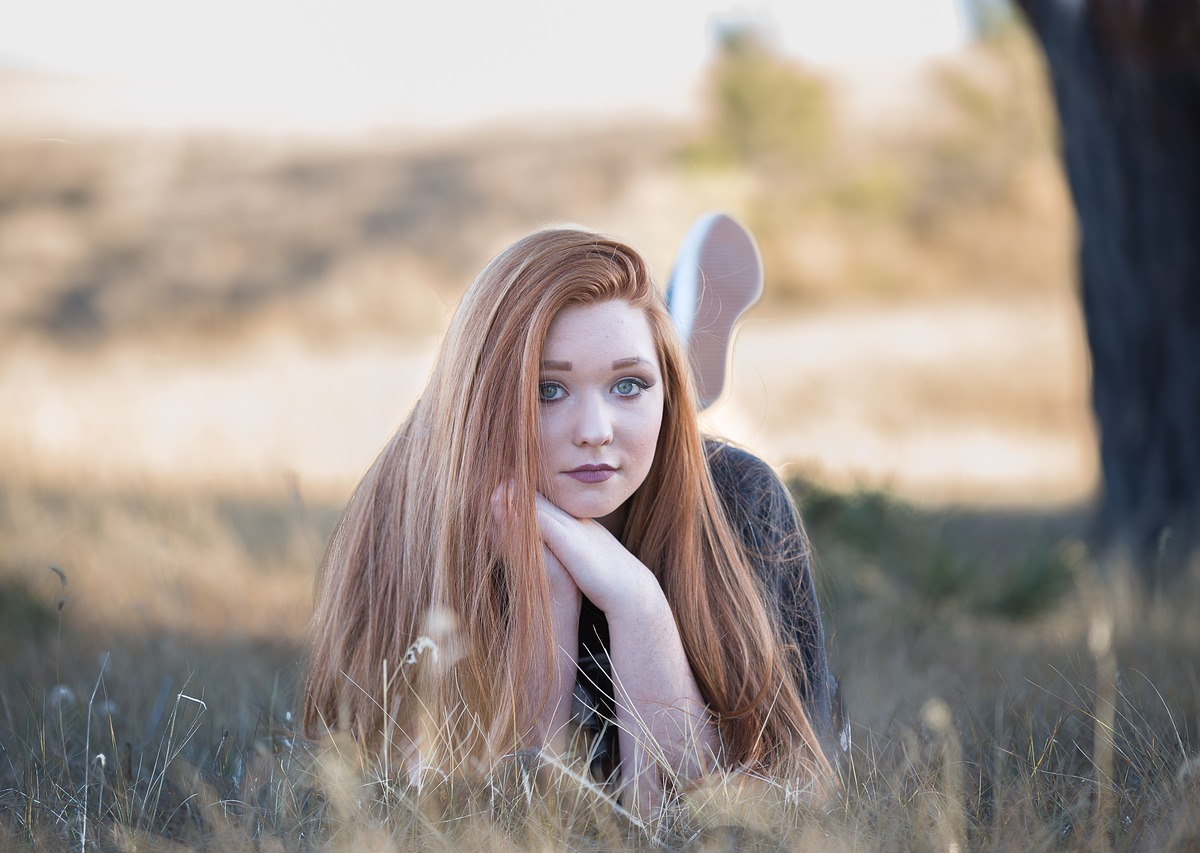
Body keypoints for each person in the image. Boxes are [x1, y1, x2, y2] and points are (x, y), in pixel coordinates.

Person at [303, 226, 845, 813]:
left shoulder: (739, 500)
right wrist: (551, 595)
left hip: (685, 460)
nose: (594, 429)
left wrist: (637, 602)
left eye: (630, 384)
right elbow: (469, 817)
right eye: (547, 390)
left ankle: (672, 350)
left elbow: (767, 808)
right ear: (485, 398)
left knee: (682, 450)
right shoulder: (414, 513)